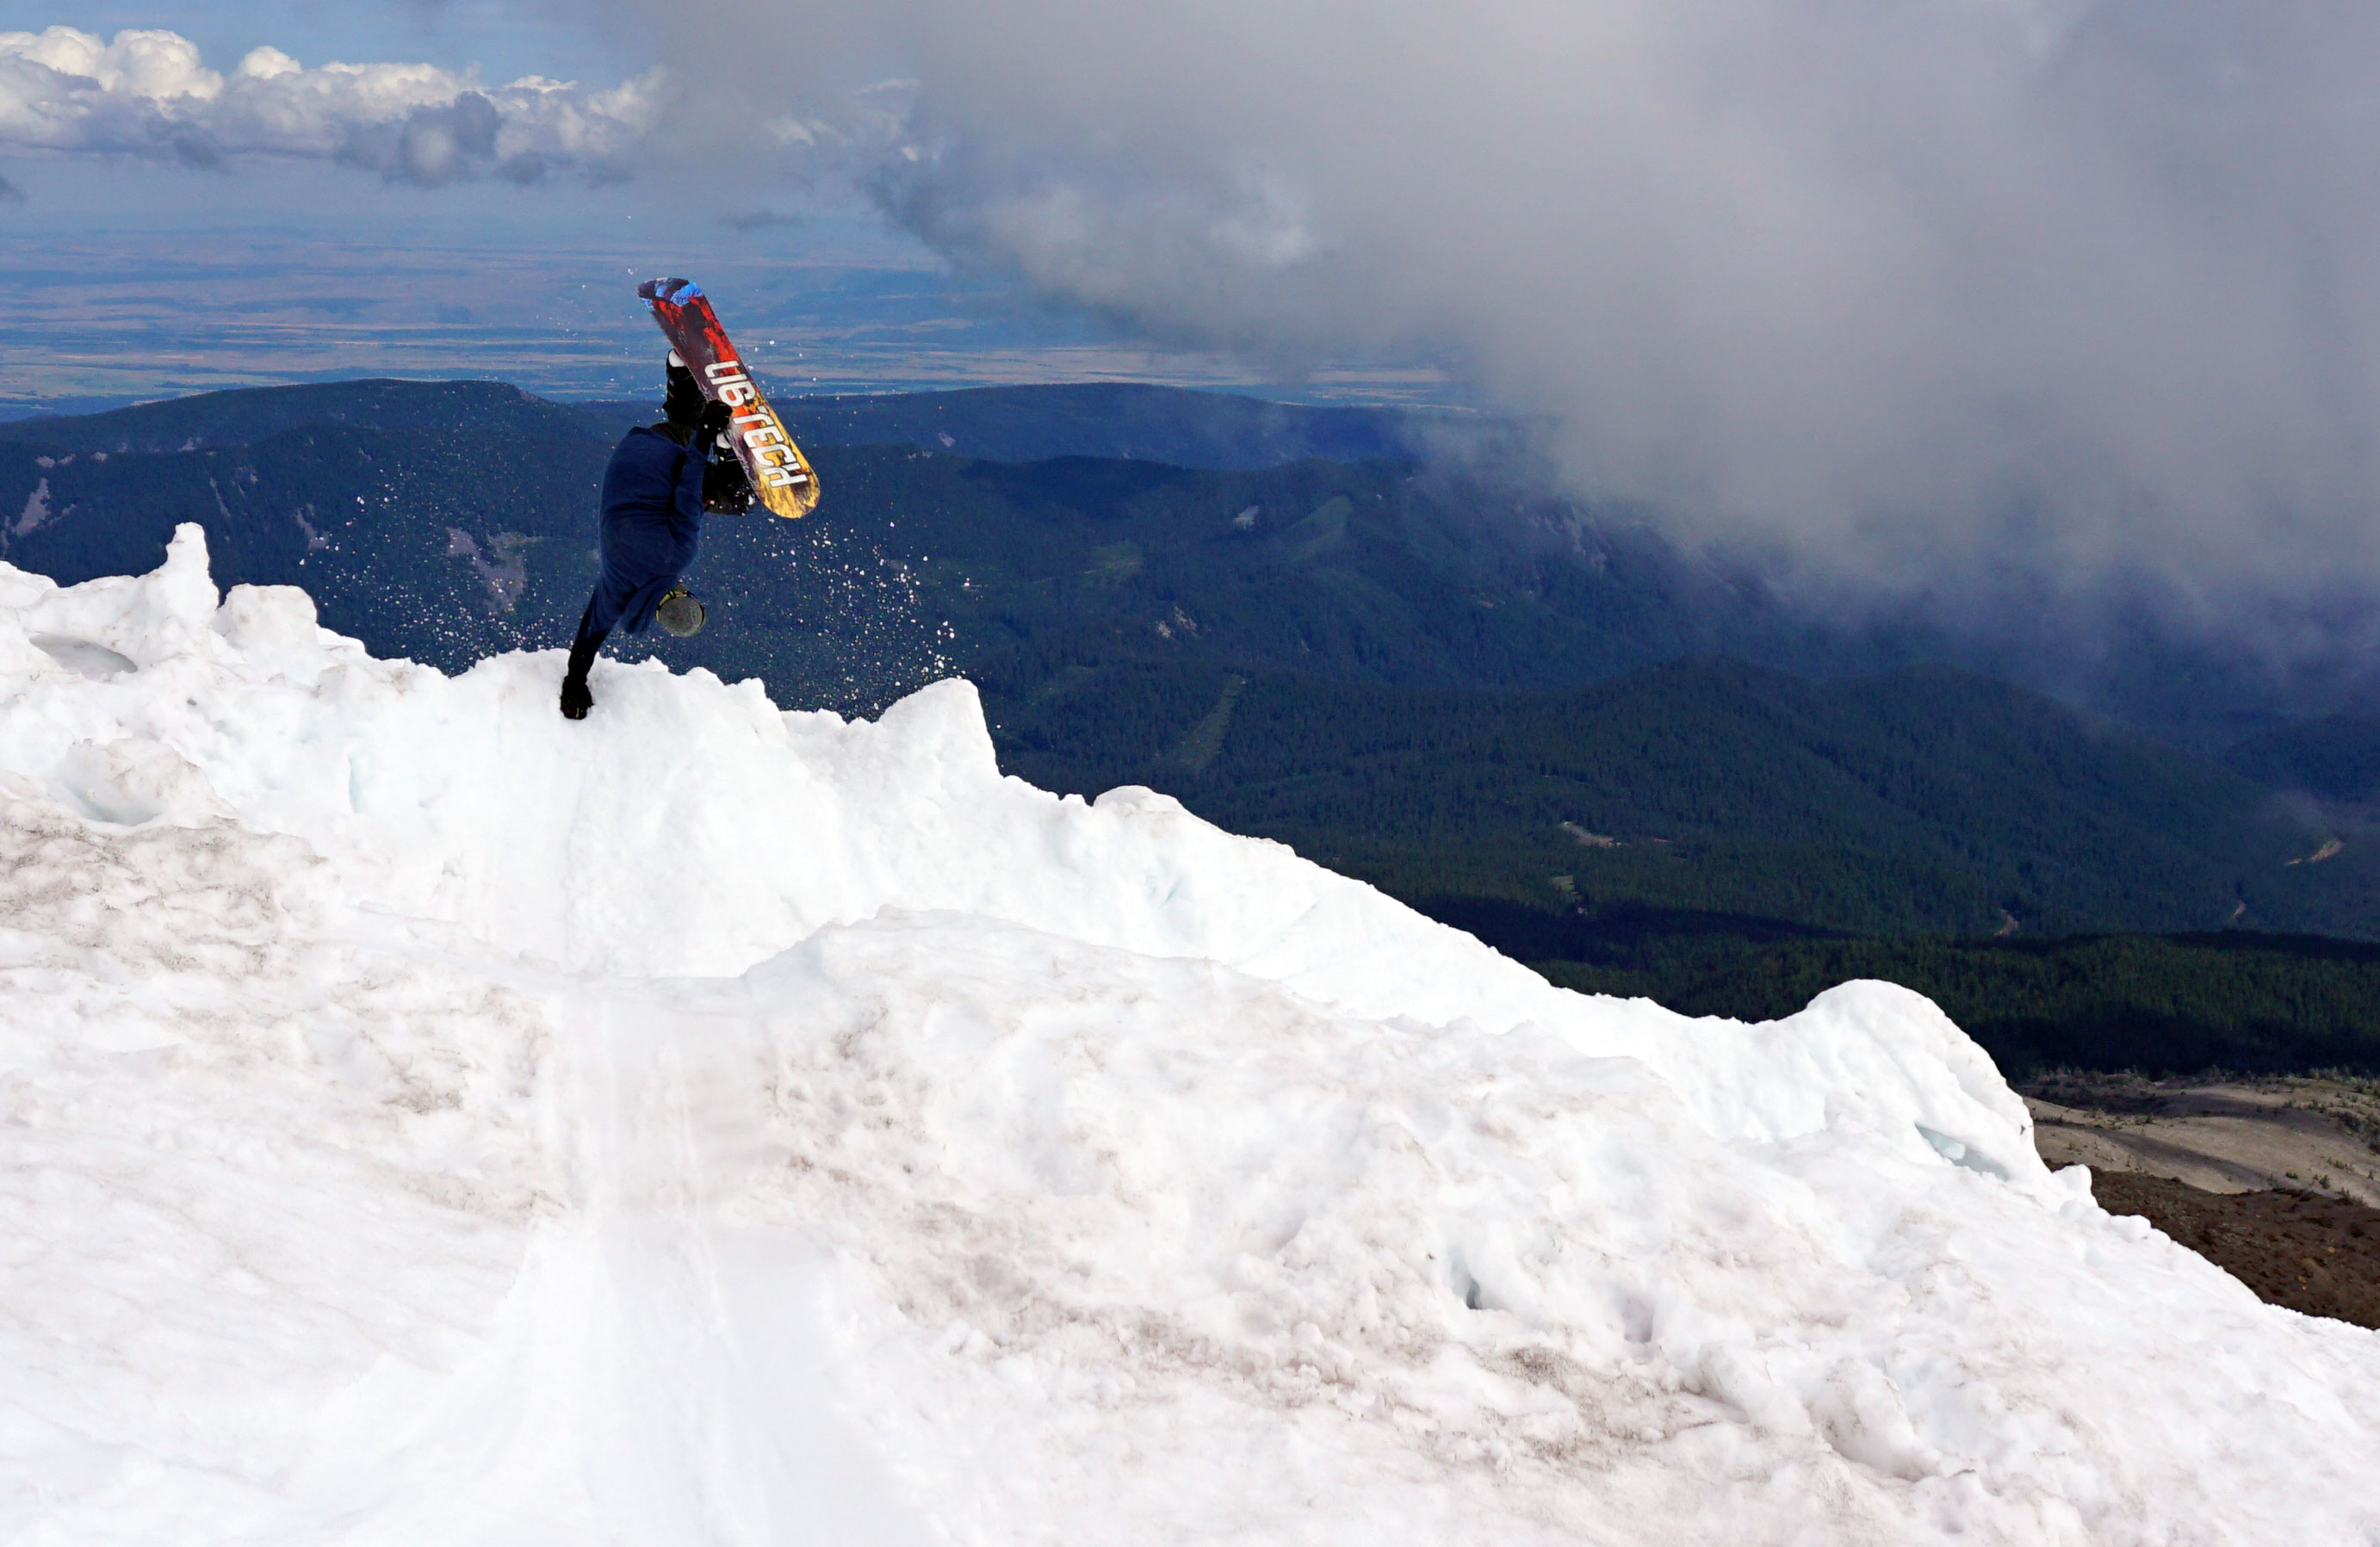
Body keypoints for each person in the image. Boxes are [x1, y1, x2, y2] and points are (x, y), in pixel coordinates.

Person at [560, 356, 754, 720]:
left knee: (737, 500)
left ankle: (730, 456)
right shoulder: (619, 592)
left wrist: (709, 436)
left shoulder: (675, 556)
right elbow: (589, 634)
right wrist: (574, 681)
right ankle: (681, 368)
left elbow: (688, 486)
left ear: (682, 594)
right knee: (682, 424)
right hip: (630, 454)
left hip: (659, 461)